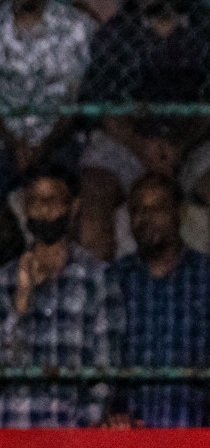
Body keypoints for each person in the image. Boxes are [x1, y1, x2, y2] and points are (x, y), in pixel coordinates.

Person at [0, 164, 124, 427]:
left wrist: (83, 427)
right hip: (17, 429)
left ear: (73, 208)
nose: (44, 209)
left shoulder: (99, 279)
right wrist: (23, 298)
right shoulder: (3, 281)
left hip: (75, 431)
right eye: (35, 201)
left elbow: (106, 370)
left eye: (53, 200)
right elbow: (0, 366)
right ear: (24, 208)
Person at [76, 0, 210, 260]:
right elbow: (103, 107)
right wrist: (141, 145)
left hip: (194, 138)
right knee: (92, 210)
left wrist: (180, 144)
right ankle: (96, 294)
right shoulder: (115, 33)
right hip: (126, 139)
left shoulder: (205, 26)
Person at [0, 0, 93, 197]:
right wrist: (11, 140)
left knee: (59, 191)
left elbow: (76, 98)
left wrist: (46, 144)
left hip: (58, 137)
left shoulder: (76, 25)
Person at [111, 174, 210, 426]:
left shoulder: (205, 275)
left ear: (180, 213)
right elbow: (102, 358)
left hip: (196, 432)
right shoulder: (113, 279)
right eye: (138, 210)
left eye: (157, 208)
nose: (146, 218)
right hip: (128, 436)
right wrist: (112, 412)